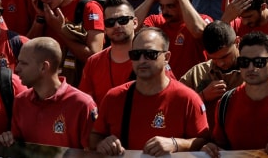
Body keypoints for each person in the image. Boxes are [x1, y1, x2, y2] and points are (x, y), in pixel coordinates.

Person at [90, 26, 210, 155]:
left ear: (167, 57)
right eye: (135, 54)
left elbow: (204, 143)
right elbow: (95, 137)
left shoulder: (187, 99)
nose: (142, 60)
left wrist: (176, 144)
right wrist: (103, 143)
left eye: (150, 54)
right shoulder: (114, 97)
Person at [6, 37, 99, 148]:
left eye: (23, 63)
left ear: (44, 67)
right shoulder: (21, 101)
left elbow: (92, 152)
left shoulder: (82, 104)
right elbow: (17, 146)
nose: (17, 68)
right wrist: (6, 139)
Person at [27, 0, 106, 85]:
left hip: (79, 86)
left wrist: (60, 30)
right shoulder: (46, 8)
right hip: (49, 84)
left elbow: (94, 55)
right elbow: (29, 49)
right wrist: (40, 18)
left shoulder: (89, 8)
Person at [135, 0, 210, 78]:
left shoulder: (204, 20)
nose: (165, 11)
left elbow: (198, 31)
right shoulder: (156, 21)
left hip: (195, 88)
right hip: (166, 88)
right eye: (162, 6)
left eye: (171, 6)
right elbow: (131, 25)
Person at [79, 0, 139, 101]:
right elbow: (84, 103)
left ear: (134, 23)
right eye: (110, 22)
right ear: (105, 28)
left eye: (122, 20)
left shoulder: (151, 57)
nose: (116, 26)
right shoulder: (93, 62)